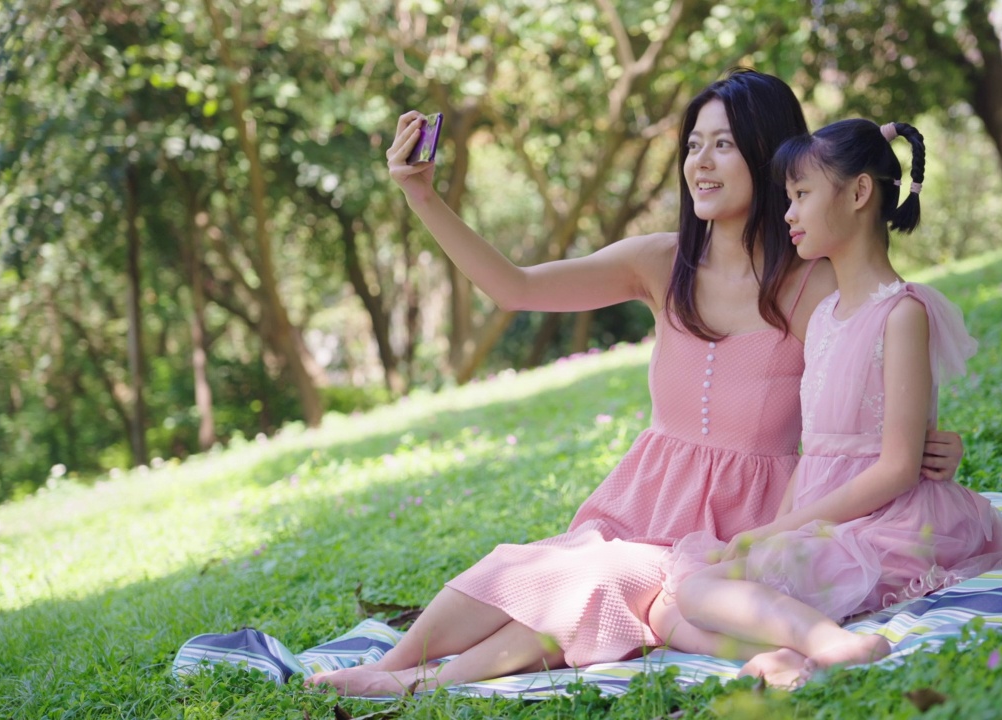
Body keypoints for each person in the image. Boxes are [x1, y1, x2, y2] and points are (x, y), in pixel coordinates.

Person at [305, 70, 966, 697]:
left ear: (771, 156)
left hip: (739, 523)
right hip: (638, 507)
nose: (699, 163)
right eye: (693, 146)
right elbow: (515, 286)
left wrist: (931, 449)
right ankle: (392, 666)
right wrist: (421, 193)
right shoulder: (660, 262)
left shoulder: (814, 281)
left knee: (596, 582)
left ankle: (414, 685)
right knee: (532, 566)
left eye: (724, 145)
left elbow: (868, 369)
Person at [657, 119, 1002, 687]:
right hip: (826, 518)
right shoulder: (824, 317)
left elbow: (899, 468)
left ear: (858, 194)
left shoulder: (901, 314)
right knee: (678, 595)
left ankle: (833, 643)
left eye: (801, 196)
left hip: (888, 525)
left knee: (701, 590)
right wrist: (773, 532)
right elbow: (820, 450)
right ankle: (779, 656)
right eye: (788, 198)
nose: (788, 214)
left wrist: (775, 536)